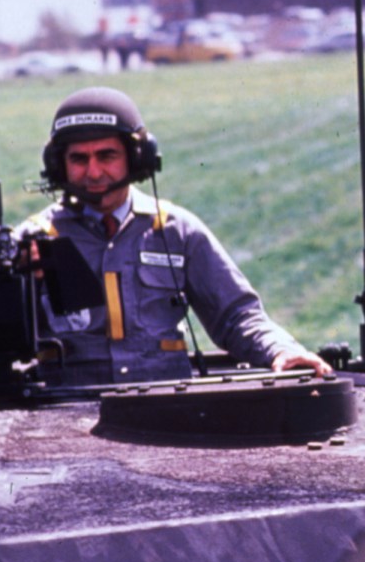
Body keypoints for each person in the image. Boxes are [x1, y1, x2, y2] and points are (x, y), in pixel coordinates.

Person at [22, 86, 332, 384]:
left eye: (106, 156)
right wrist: (18, 283)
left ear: (137, 158)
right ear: (58, 166)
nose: (92, 172)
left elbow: (236, 315)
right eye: (79, 159)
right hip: (65, 413)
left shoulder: (176, 230)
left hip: (164, 409)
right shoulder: (33, 239)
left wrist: (281, 349)